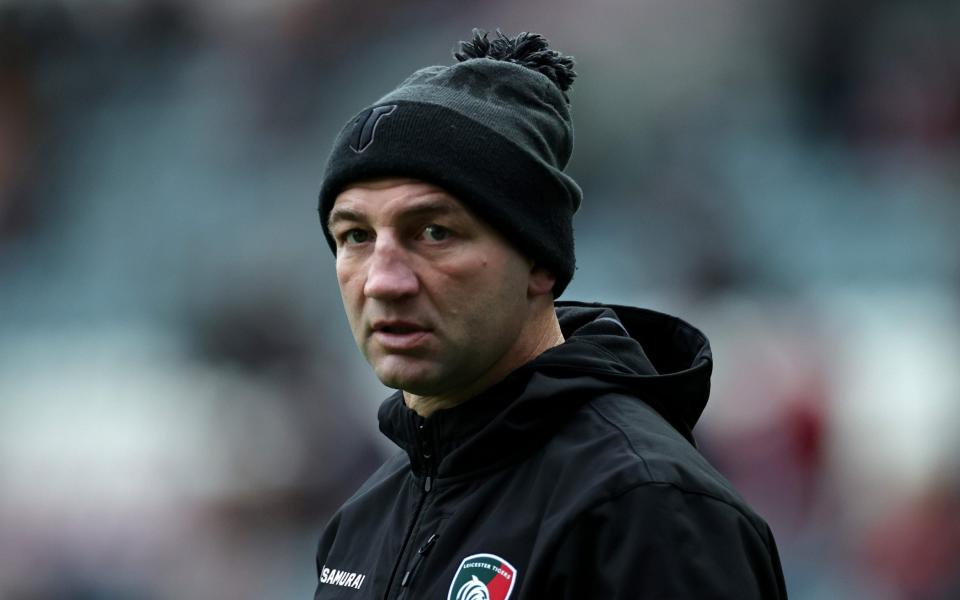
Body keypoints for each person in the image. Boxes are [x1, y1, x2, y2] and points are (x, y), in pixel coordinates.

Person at [312, 28, 787, 599]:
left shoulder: (645, 507)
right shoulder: (362, 522)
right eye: (356, 235)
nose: (384, 280)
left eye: (434, 232)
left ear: (538, 260)